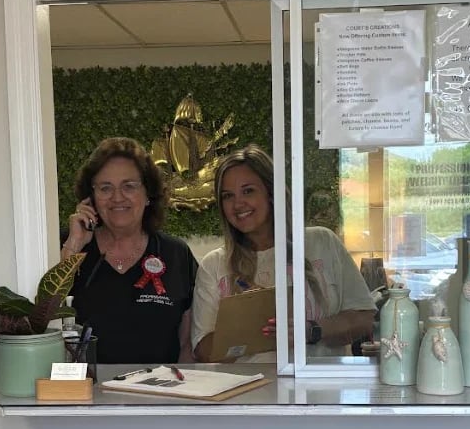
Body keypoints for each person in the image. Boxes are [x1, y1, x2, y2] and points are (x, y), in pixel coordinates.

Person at [191, 144, 376, 362]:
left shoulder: (322, 241)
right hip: (247, 393)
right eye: (227, 196)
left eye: (248, 191)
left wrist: (311, 330)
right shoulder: (214, 264)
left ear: (271, 193)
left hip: (319, 390)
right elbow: (202, 351)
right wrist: (245, 320)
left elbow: (364, 318)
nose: (238, 203)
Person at [61, 137, 198, 364]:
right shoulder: (67, 247)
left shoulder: (176, 254)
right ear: (91, 198)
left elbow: (187, 345)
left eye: (129, 186)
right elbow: (43, 321)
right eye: (105, 188)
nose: (117, 197)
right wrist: (72, 247)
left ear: (148, 195)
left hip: (160, 393)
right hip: (87, 393)